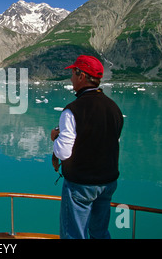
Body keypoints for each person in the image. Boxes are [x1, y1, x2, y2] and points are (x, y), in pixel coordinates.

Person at [50, 55, 124, 239]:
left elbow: (63, 152)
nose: (71, 78)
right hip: (107, 183)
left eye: (73, 73)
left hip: (81, 184)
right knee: (99, 232)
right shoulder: (114, 108)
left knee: (73, 234)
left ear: (81, 75)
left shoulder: (72, 110)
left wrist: (55, 138)